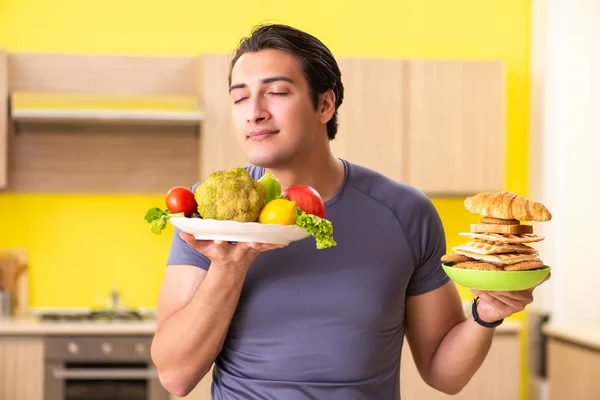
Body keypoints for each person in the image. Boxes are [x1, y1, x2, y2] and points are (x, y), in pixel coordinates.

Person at [150, 23, 546, 399]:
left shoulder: (406, 212)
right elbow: (176, 376)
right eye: (239, 97)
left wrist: (486, 315)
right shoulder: (208, 212)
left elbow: (444, 375)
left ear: (325, 104)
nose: (253, 111)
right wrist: (228, 266)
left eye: (277, 92)